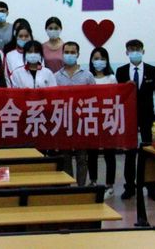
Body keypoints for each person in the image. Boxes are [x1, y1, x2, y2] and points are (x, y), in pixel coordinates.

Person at [117, 39, 155, 202]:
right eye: (131, 49)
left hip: (149, 118)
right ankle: (130, 187)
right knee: (130, 153)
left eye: (137, 49)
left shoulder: (153, 70)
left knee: (151, 153)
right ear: (126, 52)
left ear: (143, 51)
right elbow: (118, 97)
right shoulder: (121, 71)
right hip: (128, 118)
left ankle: (152, 188)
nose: (135, 52)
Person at [53, 41, 95, 187]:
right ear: (62, 54)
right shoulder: (56, 76)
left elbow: (95, 99)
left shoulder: (87, 76)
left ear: (78, 54)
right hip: (63, 122)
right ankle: (69, 189)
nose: (69, 55)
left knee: (82, 158)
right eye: (67, 52)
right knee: (65, 158)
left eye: (72, 52)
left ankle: (81, 188)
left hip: (81, 123)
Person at [88, 46, 117, 199]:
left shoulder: (111, 78)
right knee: (92, 153)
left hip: (108, 119)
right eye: (96, 58)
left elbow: (117, 98)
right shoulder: (88, 77)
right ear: (91, 61)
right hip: (92, 118)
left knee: (109, 153)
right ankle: (93, 181)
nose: (99, 61)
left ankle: (110, 185)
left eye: (102, 59)